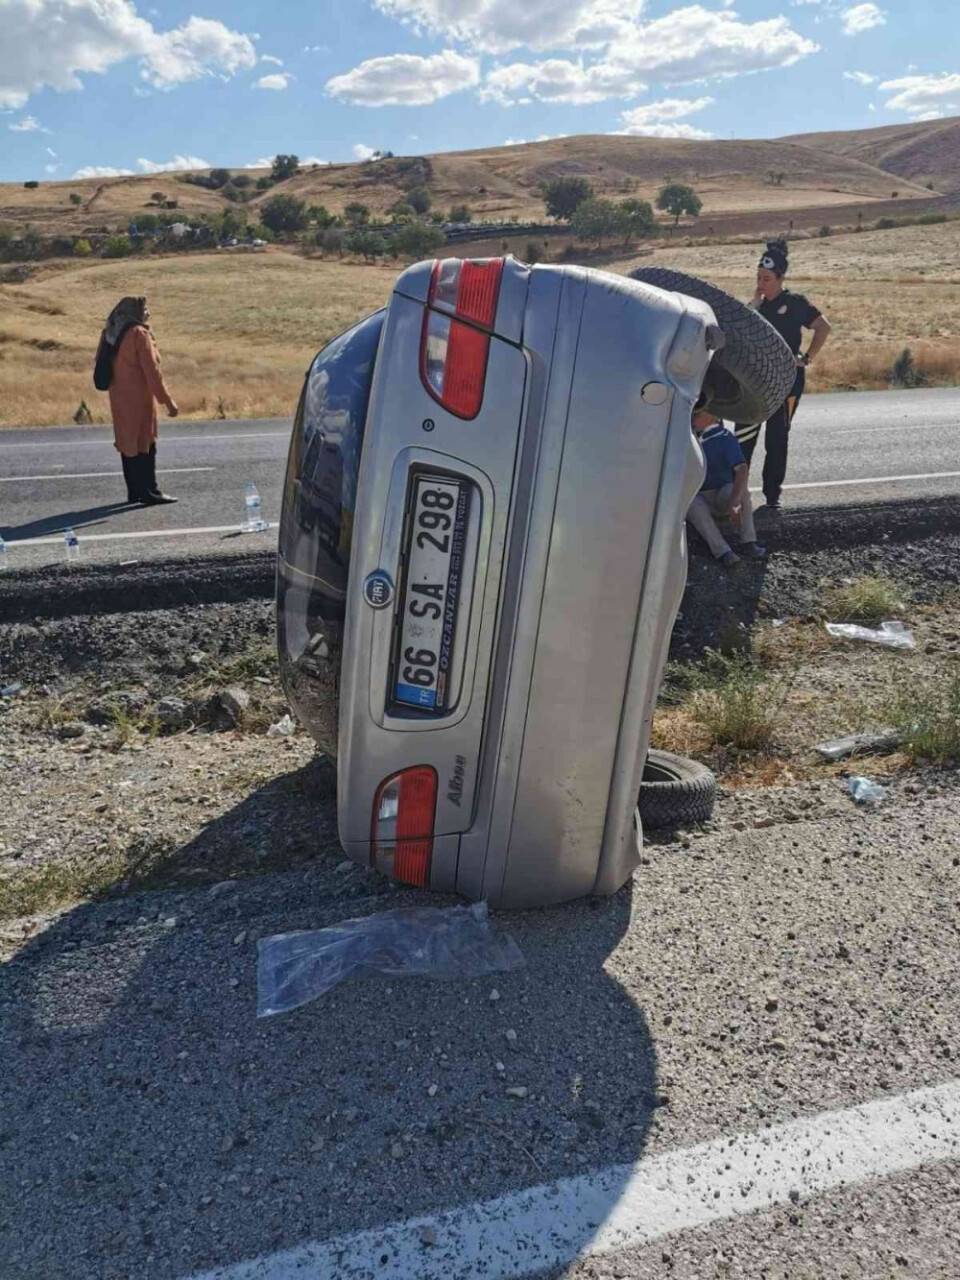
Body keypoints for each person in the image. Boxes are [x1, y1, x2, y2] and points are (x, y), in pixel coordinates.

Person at [734, 239, 832, 511]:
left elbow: (823, 327)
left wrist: (807, 358)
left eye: (766, 278)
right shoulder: (754, 308)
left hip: (788, 382)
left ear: (780, 278)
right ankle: (736, 494)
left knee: (777, 438)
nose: (761, 283)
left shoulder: (795, 303)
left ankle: (772, 495)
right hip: (754, 383)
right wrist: (753, 304)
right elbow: (737, 334)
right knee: (744, 436)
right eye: (758, 278)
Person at [95, 296, 179, 505]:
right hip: (139, 399)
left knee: (127, 444)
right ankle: (150, 492)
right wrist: (168, 402)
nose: (148, 312)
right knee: (145, 444)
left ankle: (134, 491)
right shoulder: (139, 334)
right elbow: (152, 372)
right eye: (145, 308)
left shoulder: (110, 333)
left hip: (118, 397)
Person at [688, 407, 765, 567]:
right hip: (700, 496)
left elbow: (741, 469)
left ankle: (749, 541)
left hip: (723, 496)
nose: (693, 419)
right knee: (691, 503)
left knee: (741, 491)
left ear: (712, 417)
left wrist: (735, 500)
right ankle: (723, 552)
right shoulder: (687, 440)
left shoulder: (724, 438)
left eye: (697, 415)